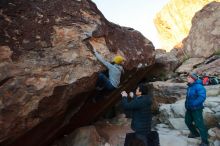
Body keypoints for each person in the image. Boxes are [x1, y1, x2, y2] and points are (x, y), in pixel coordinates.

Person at [185, 72, 209, 146]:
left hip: (196, 109)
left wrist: (193, 104)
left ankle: (205, 142)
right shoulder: (190, 86)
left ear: (193, 79)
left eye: (189, 77)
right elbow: (188, 97)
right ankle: (195, 133)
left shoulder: (199, 86)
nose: (187, 78)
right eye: (188, 77)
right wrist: (187, 104)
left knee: (199, 124)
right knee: (187, 121)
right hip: (189, 108)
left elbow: (202, 97)